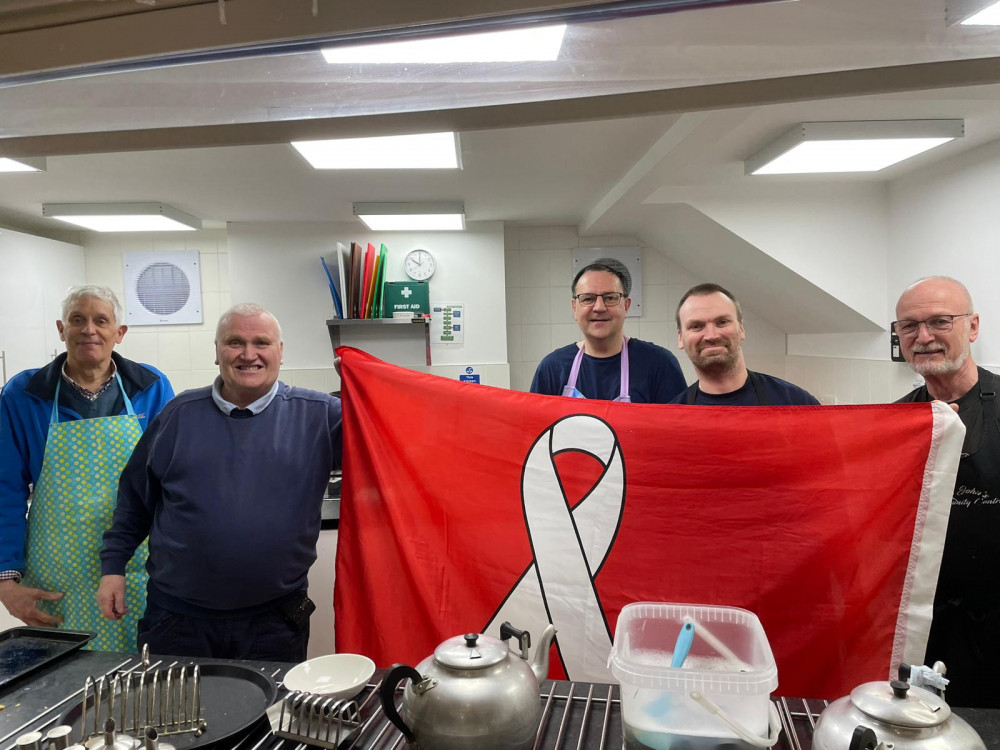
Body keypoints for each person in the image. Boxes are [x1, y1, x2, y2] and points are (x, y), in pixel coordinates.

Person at [98, 303, 342, 662]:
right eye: (234, 342)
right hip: (177, 619)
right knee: (174, 717)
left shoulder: (321, 416)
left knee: (271, 718)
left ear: (280, 352)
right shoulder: (179, 415)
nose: (248, 354)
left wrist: (367, 386)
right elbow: (135, 499)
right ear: (216, 352)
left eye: (261, 342)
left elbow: (397, 444)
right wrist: (113, 568)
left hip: (274, 622)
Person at [0, 285, 173, 649]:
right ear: (61, 330)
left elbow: (172, 479)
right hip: (58, 576)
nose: (88, 330)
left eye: (101, 320)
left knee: (143, 680)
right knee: (68, 688)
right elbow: (5, 489)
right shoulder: (24, 393)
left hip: (138, 566)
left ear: (119, 333)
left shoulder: (151, 387)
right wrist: (5, 582)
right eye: (77, 320)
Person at [894, 276, 999, 708]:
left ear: (972, 327)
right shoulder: (896, 422)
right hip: (927, 626)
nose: (924, 337)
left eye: (939, 321)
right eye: (909, 326)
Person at [530, 258, 686, 403]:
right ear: (574, 308)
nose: (599, 307)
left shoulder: (659, 364)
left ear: (626, 306)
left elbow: (679, 429)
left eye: (610, 298)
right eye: (588, 298)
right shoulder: (553, 368)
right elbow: (535, 429)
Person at [671, 283, 819, 406]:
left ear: (741, 329)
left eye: (722, 322)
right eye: (696, 326)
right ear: (680, 338)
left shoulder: (796, 404)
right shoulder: (671, 421)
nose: (711, 335)